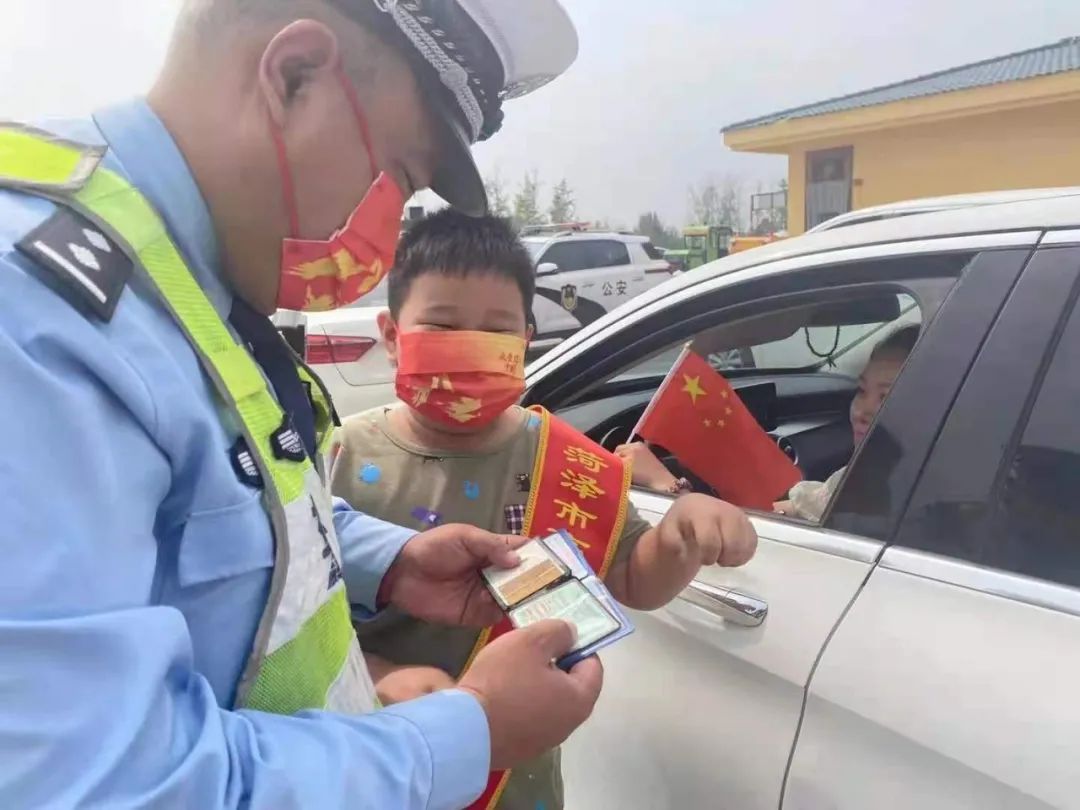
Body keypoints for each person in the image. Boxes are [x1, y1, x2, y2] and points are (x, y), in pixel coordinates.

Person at [0, 2, 602, 808]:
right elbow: (94, 783)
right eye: (398, 180)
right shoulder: (35, 316)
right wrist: (472, 730)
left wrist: (388, 562)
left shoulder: (187, 269)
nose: (386, 238)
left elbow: (230, 512)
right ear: (293, 77)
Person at [330, 210, 758, 810]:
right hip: (376, 761)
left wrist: (680, 536)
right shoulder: (337, 455)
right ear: (392, 333)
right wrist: (375, 677)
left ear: (525, 339)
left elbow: (634, 576)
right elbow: (294, 614)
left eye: (495, 329)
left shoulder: (568, 460)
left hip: (516, 781)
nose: (469, 346)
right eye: (443, 324)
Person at [618, 325, 920, 522]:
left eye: (887, 397)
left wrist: (663, 482)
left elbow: (740, 537)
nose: (862, 410)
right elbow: (772, 517)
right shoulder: (876, 472)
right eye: (862, 391)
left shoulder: (880, 487)